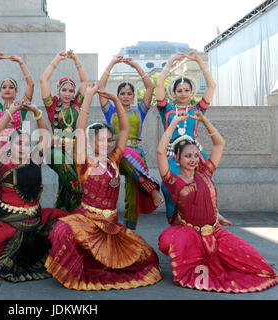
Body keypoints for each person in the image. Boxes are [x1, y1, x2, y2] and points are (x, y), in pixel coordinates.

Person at [45, 83, 163, 290]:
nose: (106, 144)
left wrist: (116, 101)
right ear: (91, 142)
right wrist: (88, 96)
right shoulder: (84, 161)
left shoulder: (114, 159)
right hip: (87, 220)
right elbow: (80, 129)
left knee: (146, 255)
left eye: (109, 140)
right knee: (61, 229)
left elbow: (125, 129)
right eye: (101, 140)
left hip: (110, 225)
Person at [157, 110, 277, 292]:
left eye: (196, 155)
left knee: (257, 265)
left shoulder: (205, 173)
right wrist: (173, 124)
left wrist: (203, 120)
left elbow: (220, 144)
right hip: (190, 232)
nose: (193, 159)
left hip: (215, 231)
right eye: (188, 155)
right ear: (177, 158)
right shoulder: (173, 181)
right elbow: (160, 151)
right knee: (169, 241)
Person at [0, 101, 69, 282]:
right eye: (18, 143)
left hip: (35, 219)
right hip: (8, 223)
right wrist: (11, 111)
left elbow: (45, 137)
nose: (23, 147)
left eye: (26, 144)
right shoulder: (3, 163)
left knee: (70, 222)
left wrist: (36, 111)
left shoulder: (35, 159)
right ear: (9, 147)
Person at [155, 51, 231, 226]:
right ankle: (177, 223)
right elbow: (159, 85)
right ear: (174, 92)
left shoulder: (197, 110)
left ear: (191, 92)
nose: (183, 93)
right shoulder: (165, 109)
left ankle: (209, 219)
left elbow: (211, 87)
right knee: (169, 188)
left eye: (186, 90)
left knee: (203, 186)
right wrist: (171, 61)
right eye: (179, 90)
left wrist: (199, 62)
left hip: (195, 155)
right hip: (171, 155)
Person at [99, 55, 163, 230]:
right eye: (122, 93)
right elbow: (100, 88)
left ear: (133, 96)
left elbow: (150, 87)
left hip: (136, 155)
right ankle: (151, 189)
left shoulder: (139, 112)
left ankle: (129, 232)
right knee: (108, 193)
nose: (126, 96)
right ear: (117, 95)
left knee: (131, 197)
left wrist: (135, 65)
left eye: (129, 94)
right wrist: (112, 63)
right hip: (116, 155)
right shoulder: (110, 112)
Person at [40, 50, 88, 212]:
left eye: (70, 90)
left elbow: (84, 80)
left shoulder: (77, 105)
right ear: (58, 91)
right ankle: (78, 207)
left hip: (75, 150)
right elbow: (43, 80)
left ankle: (62, 211)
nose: (67, 94)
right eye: (64, 90)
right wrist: (57, 59)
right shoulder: (52, 106)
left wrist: (76, 59)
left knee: (65, 181)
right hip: (55, 149)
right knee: (71, 178)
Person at [0, 53, 34, 176]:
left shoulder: (21, 107)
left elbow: (31, 85)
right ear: (0, 92)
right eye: (4, 87)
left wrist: (21, 63)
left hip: (16, 146)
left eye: (11, 87)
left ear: (16, 92)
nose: (7, 89)